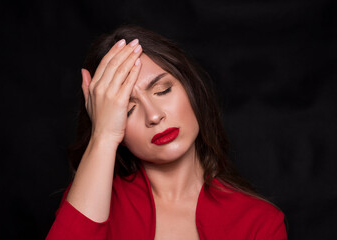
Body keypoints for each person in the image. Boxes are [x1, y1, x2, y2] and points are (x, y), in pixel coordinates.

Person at [46, 25, 287, 240]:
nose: (153, 115)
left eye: (162, 90)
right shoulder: (91, 201)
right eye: (128, 109)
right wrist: (103, 136)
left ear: (191, 87)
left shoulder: (260, 223)